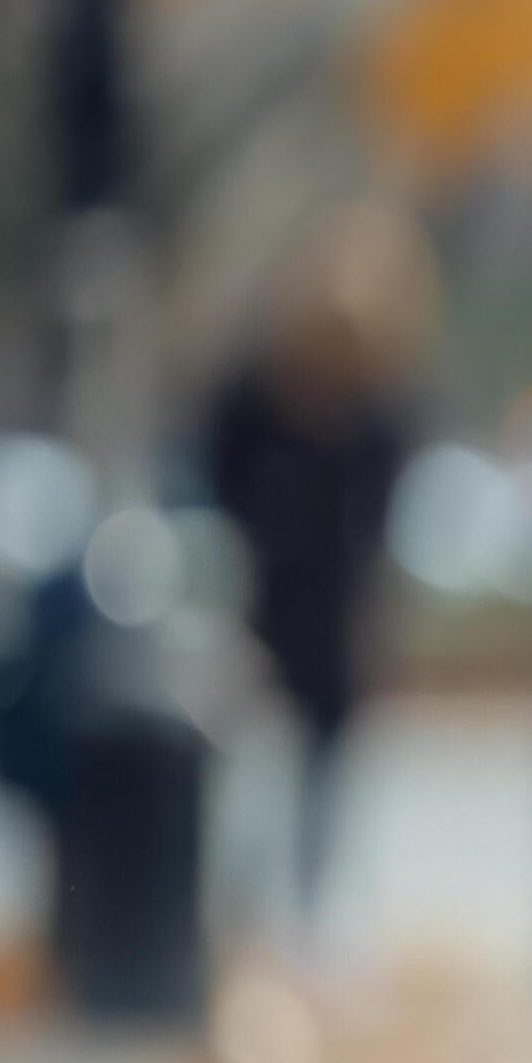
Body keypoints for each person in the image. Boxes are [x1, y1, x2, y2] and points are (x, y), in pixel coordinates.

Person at [202, 202, 428, 914]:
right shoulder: (255, 396)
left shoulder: (379, 413)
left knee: (321, 779)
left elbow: (379, 526)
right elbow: (219, 483)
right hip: (261, 602)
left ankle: (303, 908)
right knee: (248, 770)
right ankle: (243, 906)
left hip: (330, 613)